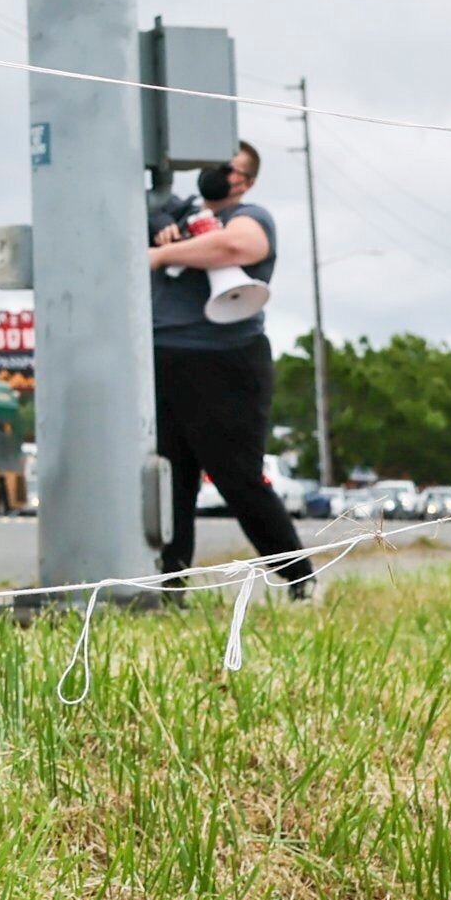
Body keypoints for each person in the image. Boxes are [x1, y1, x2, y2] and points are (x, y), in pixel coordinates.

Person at [149, 139, 314, 595]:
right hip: (165, 359)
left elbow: (236, 247)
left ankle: (299, 578)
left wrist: (163, 254)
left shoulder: (252, 217)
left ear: (247, 181)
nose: (217, 172)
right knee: (171, 478)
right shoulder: (177, 215)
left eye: (230, 167)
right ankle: (170, 583)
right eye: (213, 162)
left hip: (226, 362)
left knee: (238, 478)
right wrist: (162, 225)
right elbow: (148, 210)